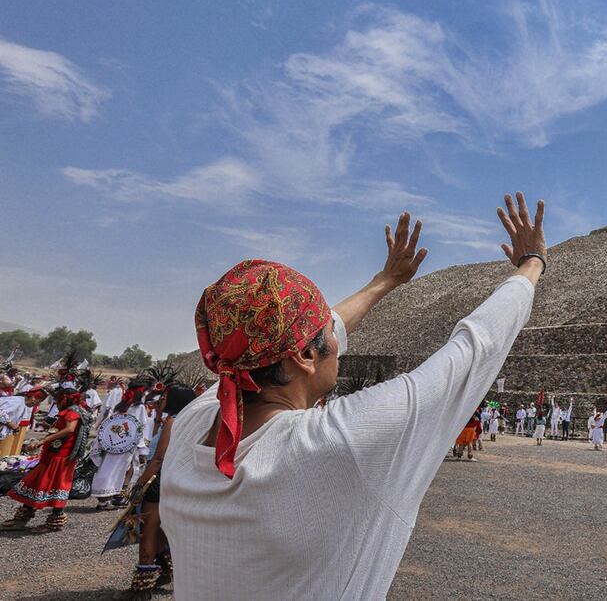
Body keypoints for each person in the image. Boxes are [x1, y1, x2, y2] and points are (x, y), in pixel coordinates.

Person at [160, 193, 546, 600]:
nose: (336, 336)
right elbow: (474, 349)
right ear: (306, 356)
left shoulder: (192, 425)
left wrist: (385, 281)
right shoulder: (339, 444)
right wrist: (533, 263)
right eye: (325, 333)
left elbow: (319, 332)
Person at [114, 385, 198, 599]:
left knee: (149, 530)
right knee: (162, 529)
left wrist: (140, 484)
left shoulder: (173, 421)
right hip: (176, 479)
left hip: (158, 480)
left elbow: (158, 458)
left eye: (165, 398)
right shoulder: (191, 421)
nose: (160, 402)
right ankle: (164, 572)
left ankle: (141, 589)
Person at [2, 387, 92, 532]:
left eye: (57, 401)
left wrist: (43, 440)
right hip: (54, 455)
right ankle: (22, 518)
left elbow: (70, 429)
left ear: (63, 399)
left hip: (62, 457)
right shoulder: (71, 411)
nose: (55, 404)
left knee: (56, 485)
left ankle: (53, 522)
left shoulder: (72, 412)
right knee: (38, 483)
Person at [90, 383, 152, 510]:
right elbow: (141, 426)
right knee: (127, 469)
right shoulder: (139, 407)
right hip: (126, 445)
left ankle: (107, 498)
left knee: (109, 468)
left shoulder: (121, 405)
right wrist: (142, 447)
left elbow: (110, 421)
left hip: (113, 443)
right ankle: (118, 496)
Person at [0, 389, 44, 457]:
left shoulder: (22, 403)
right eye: (39, 401)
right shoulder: (16, 401)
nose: (38, 404)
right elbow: (1, 413)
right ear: (33, 398)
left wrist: (14, 428)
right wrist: (11, 424)